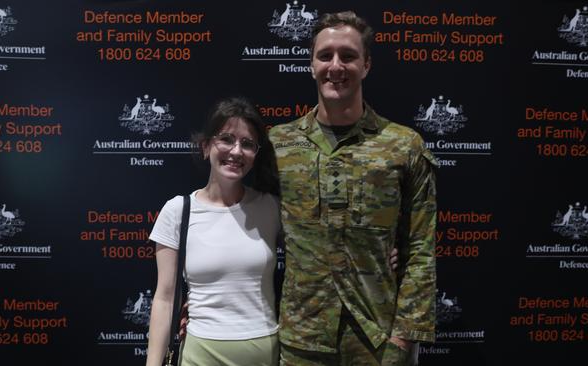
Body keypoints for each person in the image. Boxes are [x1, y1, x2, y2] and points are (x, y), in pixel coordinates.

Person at [268, 11, 438, 365]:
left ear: (366, 65)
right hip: (302, 340)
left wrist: (404, 338)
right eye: (325, 55)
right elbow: (243, 225)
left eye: (348, 56)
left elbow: (421, 248)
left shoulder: (404, 145)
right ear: (311, 65)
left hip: (377, 340)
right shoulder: (278, 144)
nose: (336, 66)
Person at [145, 97, 281, 366]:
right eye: (226, 139)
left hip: (263, 352)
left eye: (247, 143)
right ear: (206, 147)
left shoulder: (271, 207)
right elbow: (164, 297)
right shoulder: (177, 211)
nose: (236, 151)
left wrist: (389, 251)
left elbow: (314, 251)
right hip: (200, 354)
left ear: (255, 155)